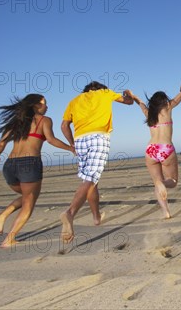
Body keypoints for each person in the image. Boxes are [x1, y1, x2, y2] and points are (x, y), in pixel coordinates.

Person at [0, 94, 75, 248]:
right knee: (29, 202)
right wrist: (71, 148)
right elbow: (51, 139)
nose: (47, 107)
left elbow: (2, 142)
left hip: (9, 166)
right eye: (44, 104)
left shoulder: (16, 122)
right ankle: (9, 238)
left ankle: (2, 216)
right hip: (29, 164)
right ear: (36, 105)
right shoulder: (44, 120)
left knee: (27, 196)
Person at [60, 82, 133, 243]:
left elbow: (64, 125)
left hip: (79, 140)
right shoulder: (105, 92)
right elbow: (128, 102)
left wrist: (72, 144)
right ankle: (70, 213)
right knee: (91, 178)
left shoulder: (74, 100)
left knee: (91, 180)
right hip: (98, 138)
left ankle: (96, 217)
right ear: (99, 88)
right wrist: (129, 94)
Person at [128, 89, 181, 219]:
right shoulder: (168, 108)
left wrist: (132, 95)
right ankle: (163, 184)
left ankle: (165, 211)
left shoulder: (149, 113)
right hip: (165, 149)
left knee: (156, 182)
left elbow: (140, 102)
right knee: (173, 181)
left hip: (151, 149)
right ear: (165, 101)